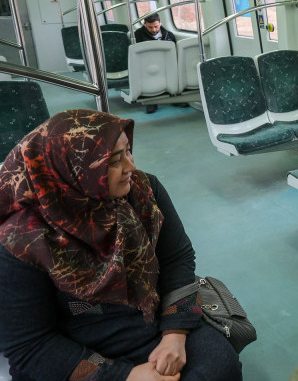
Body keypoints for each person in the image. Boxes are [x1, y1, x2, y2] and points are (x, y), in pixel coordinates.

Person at [0, 109, 242, 381]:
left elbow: (177, 259)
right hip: (78, 347)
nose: (131, 166)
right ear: (75, 171)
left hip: (153, 322)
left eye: (128, 151)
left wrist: (175, 334)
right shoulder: (23, 239)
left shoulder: (144, 191)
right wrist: (126, 376)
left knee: (220, 366)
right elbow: (30, 344)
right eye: (115, 160)